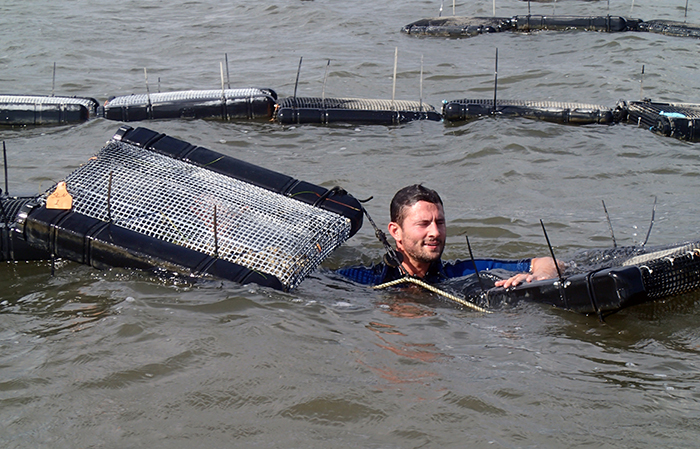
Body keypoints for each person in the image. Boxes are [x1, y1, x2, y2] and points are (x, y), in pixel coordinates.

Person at [337, 184, 563, 288]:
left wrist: (538, 278)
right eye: (423, 224)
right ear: (395, 231)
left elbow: (551, 262)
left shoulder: (459, 274)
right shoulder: (366, 279)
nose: (435, 232)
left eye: (440, 222)